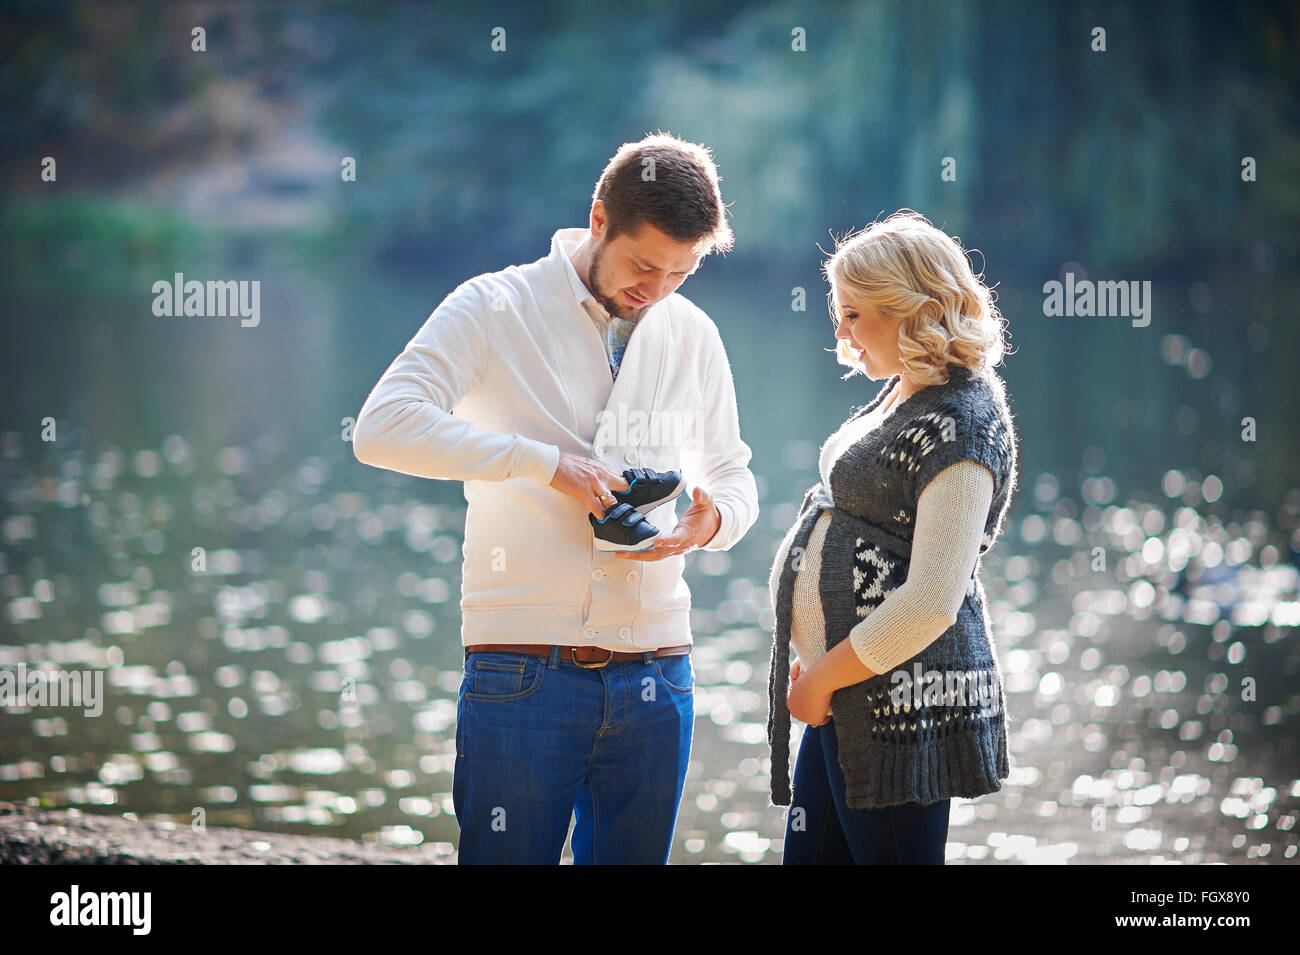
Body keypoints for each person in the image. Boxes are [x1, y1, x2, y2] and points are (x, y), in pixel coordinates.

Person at [352, 132, 759, 864]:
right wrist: (541, 463)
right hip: (523, 665)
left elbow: (733, 470)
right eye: (644, 265)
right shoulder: (492, 305)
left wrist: (715, 518)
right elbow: (381, 428)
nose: (658, 290)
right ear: (598, 219)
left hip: (660, 665)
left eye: (682, 271)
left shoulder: (693, 332)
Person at [767, 210, 1020, 864]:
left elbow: (933, 598)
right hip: (850, 694)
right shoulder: (907, 390)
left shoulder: (962, 425)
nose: (841, 329)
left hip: (898, 712)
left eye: (855, 313)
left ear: (909, 309)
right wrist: (820, 659)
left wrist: (824, 674)